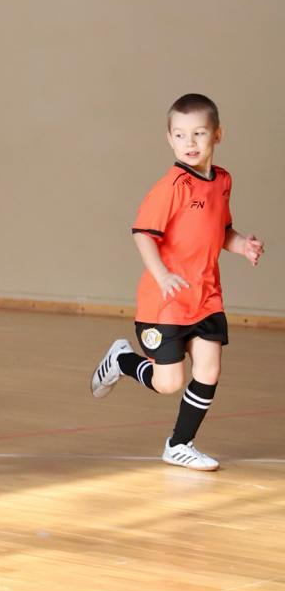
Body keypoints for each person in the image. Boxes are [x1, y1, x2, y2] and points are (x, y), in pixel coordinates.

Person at [90, 93, 264, 470]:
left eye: (199, 133)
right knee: (167, 383)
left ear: (217, 135)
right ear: (169, 139)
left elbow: (221, 230)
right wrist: (162, 275)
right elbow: (142, 234)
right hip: (164, 303)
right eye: (180, 135)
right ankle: (122, 360)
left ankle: (179, 444)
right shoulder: (172, 187)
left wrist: (242, 246)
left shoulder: (222, 181)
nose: (190, 142)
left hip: (206, 297)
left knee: (209, 369)